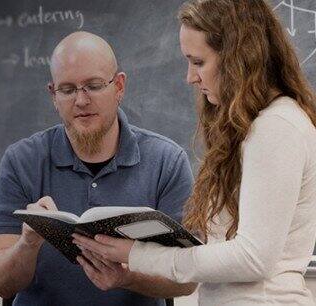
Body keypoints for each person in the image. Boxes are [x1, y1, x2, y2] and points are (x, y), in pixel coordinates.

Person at [72, 1, 316, 305]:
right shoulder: (254, 126)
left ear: (238, 58)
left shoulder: (276, 127)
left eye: (198, 62)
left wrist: (139, 255)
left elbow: (253, 258)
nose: (190, 77)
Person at [0, 31, 197, 306]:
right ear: (53, 95)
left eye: (94, 86)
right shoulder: (20, 161)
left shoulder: (167, 161)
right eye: (68, 89)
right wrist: (28, 243)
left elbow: (188, 276)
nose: (81, 101)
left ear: (119, 87)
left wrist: (125, 276)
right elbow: (1, 283)